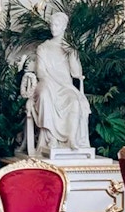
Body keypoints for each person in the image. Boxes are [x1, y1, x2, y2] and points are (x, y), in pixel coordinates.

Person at [20, 12, 92, 154]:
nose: (53, 27)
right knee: (45, 95)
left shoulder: (69, 48)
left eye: (57, 25)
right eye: (52, 25)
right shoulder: (43, 47)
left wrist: (72, 54)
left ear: (64, 27)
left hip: (65, 86)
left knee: (74, 101)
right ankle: (51, 138)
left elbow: (76, 74)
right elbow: (40, 71)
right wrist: (49, 81)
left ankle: (71, 138)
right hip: (47, 82)